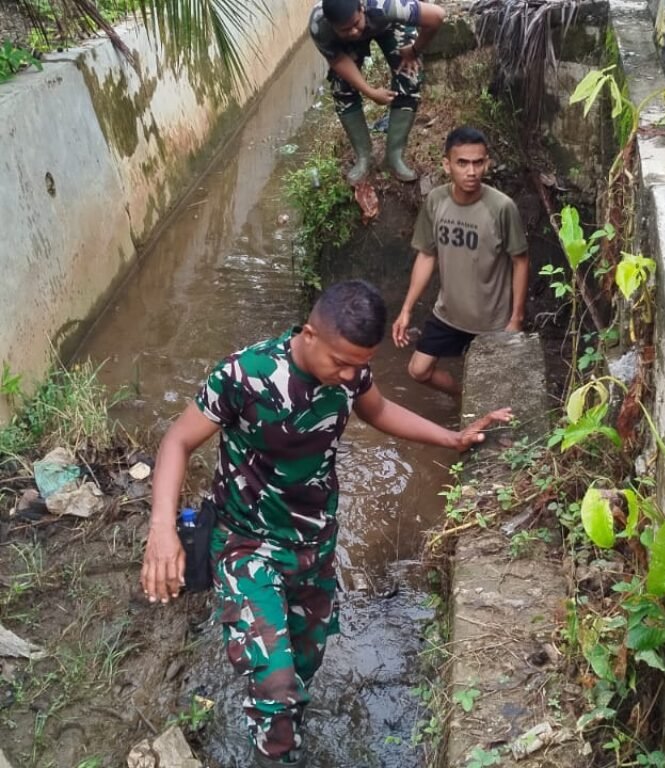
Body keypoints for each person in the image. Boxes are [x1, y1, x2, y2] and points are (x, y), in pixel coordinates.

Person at [140, 280, 510, 768]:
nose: (350, 375)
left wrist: (451, 437)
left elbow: (379, 410)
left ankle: (280, 726)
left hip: (313, 546)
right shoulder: (245, 374)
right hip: (244, 544)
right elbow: (178, 441)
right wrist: (162, 530)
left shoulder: (351, 373)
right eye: (341, 362)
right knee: (277, 687)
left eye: (361, 364)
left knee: (302, 668)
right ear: (309, 334)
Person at [392, 126, 530, 396]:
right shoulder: (436, 201)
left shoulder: (502, 207)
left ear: (487, 163)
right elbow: (427, 255)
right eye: (463, 163)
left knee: (496, 391)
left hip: (492, 321)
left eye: (478, 163)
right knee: (418, 370)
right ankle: (463, 398)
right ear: (447, 165)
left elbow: (521, 261)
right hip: (448, 314)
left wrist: (516, 319)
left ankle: (477, 406)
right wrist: (406, 309)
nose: (471, 171)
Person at [308, 0, 445, 183]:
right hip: (348, 43)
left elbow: (437, 16)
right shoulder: (319, 24)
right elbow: (338, 60)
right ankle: (364, 157)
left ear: (361, 8)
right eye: (345, 29)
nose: (353, 31)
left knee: (410, 77)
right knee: (342, 88)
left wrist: (414, 50)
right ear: (332, 25)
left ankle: (394, 157)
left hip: (389, 24)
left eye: (355, 23)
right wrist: (370, 92)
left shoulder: (384, 5)